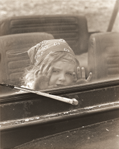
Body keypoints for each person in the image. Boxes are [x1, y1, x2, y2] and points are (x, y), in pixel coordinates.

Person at [22, 39, 92, 90]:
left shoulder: (68, 88)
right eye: (55, 71)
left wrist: (80, 92)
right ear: (37, 72)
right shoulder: (24, 92)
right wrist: (39, 91)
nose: (62, 78)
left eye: (69, 74)